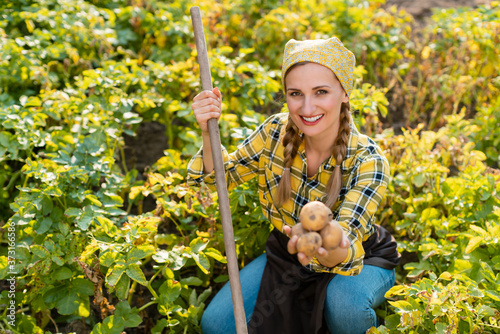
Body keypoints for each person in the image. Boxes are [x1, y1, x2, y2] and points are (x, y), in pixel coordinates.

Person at [187, 37, 401, 334]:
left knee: (345, 309)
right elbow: (218, 180)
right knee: (217, 324)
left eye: (321, 92)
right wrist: (206, 128)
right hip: (289, 255)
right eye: (296, 93)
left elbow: (347, 244)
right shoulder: (275, 131)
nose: (307, 106)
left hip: (357, 260)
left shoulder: (368, 160)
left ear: (344, 93)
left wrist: (325, 245)